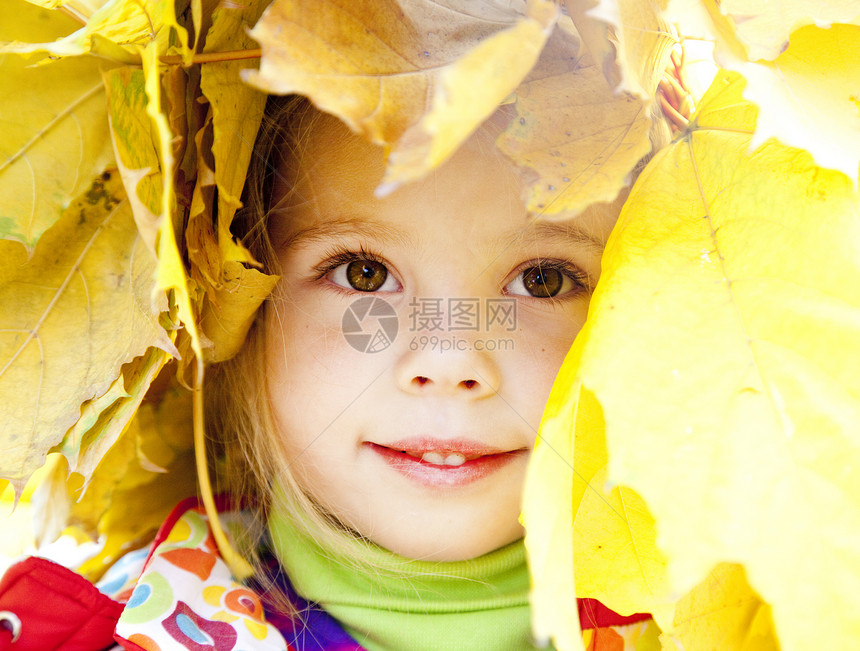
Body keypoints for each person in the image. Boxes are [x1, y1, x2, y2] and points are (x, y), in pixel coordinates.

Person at [0, 97, 656, 650]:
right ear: (239, 315)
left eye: (542, 280)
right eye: (363, 274)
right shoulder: (120, 631)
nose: (450, 359)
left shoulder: (735, 619)